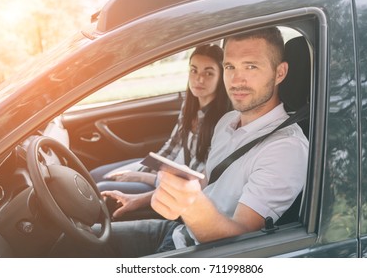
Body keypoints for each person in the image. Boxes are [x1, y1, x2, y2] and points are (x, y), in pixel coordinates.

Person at [55, 27, 308, 257]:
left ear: (280, 72)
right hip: (178, 231)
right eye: (230, 67)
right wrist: (141, 200)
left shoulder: (286, 149)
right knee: (72, 242)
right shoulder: (228, 121)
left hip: (200, 252)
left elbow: (240, 242)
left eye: (251, 67)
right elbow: (209, 182)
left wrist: (191, 207)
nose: (236, 80)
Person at [91, 44, 231, 217]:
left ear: (221, 78)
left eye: (208, 73)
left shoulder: (223, 122)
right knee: (95, 175)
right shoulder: (190, 106)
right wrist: (144, 168)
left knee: (101, 189)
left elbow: (193, 180)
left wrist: (141, 177)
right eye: (194, 71)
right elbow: (171, 147)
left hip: (175, 185)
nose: (199, 79)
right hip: (167, 172)